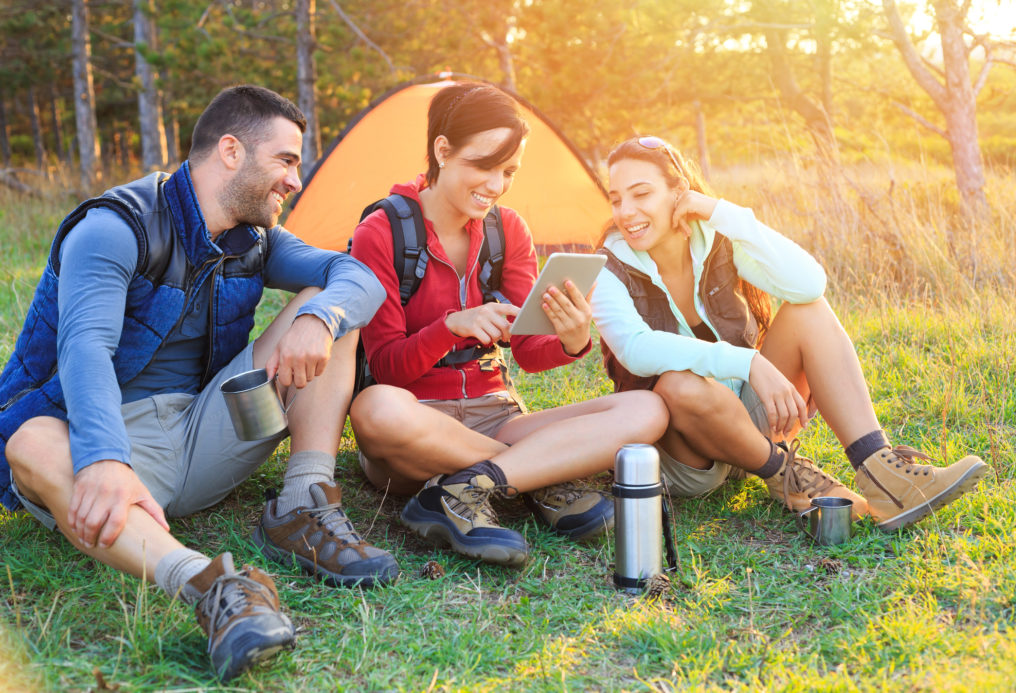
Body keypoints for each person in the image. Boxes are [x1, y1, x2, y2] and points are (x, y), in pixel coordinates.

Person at [0, 85, 397, 681]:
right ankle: (211, 587)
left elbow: (358, 276)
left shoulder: (253, 239)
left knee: (330, 304)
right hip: (115, 450)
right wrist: (105, 459)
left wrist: (318, 318)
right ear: (231, 152)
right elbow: (87, 348)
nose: (296, 179)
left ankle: (302, 502)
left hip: (211, 427)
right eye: (286, 161)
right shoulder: (113, 227)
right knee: (27, 443)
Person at [590, 135, 989, 530]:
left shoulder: (715, 238)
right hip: (688, 457)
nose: (627, 211)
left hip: (749, 420)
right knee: (678, 385)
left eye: (641, 194)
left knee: (808, 312)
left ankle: (883, 473)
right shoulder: (608, 266)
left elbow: (809, 284)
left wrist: (719, 211)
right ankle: (787, 475)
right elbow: (635, 350)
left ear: (680, 191)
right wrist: (748, 362)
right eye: (616, 199)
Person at [348, 82, 668, 567]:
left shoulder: (508, 230)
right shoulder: (381, 232)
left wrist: (571, 338)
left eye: (509, 171)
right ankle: (542, 477)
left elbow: (528, 350)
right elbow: (388, 368)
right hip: (414, 427)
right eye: (483, 166)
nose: (496, 186)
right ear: (442, 150)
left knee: (647, 409)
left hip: (496, 415)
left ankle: (465, 490)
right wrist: (452, 326)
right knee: (374, 409)